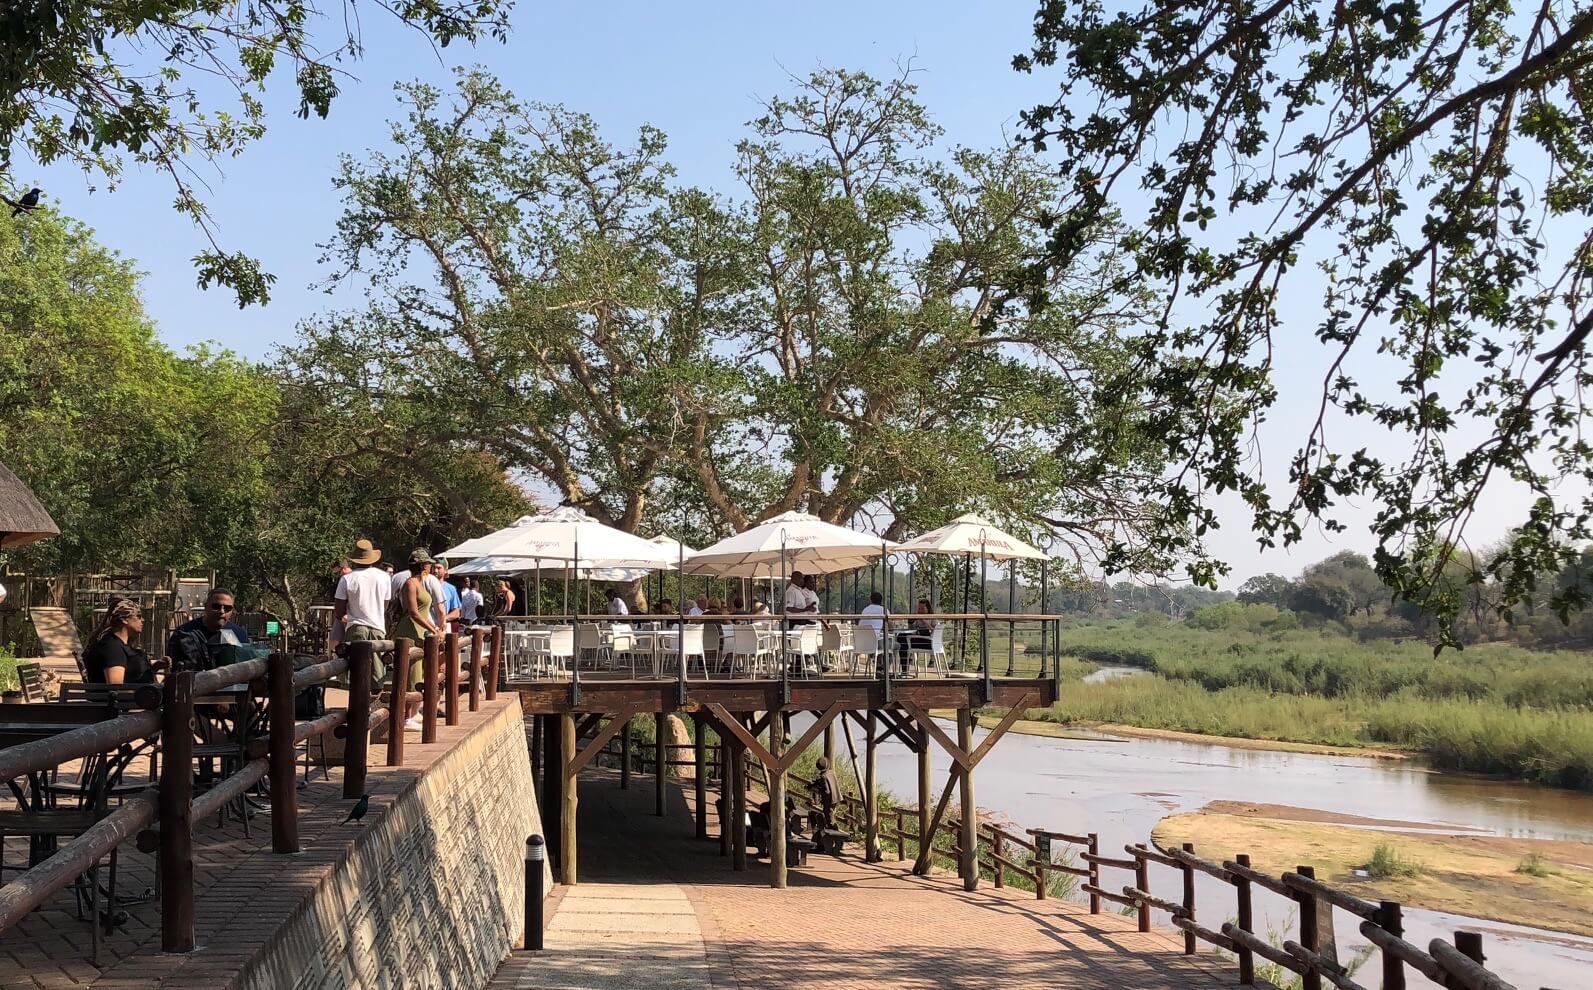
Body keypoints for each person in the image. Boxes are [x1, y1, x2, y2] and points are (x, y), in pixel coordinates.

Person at [393, 551, 441, 729]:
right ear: (421, 566)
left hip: (421, 632)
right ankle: (407, 717)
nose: (429, 566)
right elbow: (413, 612)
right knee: (411, 674)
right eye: (427, 564)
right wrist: (431, 628)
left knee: (419, 673)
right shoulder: (410, 584)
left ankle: (414, 713)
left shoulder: (422, 583)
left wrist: (433, 627)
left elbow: (423, 612)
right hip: (410, 631)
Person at [329, 539, 390, 662]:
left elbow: (339, 610)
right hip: (377, 627)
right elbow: (385, 605)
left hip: (355, 627)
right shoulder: (385, 577)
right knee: (377, 669)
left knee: (355, 669)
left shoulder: (347, 579)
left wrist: (345, 617)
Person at [167, 589, 252, 672]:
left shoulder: (239, 634)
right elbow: (173, 670)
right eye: (216, 607)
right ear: (206, 606)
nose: (222, 611)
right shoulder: (183, 633)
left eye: (227, 608)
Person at [85, 598, 158, 684]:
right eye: (138, 616)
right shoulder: (112, 648)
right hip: (129, 697)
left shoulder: (118, 645)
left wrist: (154, 668)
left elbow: (131, 676)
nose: (142, 620)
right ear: (124, 619)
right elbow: (116, 688)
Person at [895, 598, 936, 676]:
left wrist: (923, 620)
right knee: (902, 640)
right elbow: (911, 628)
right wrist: (912, 620)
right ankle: (905, 668)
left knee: (903, 642)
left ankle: (904, 670)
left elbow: (934, 631)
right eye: (919, 608)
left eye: (922, 608)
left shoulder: (933, 618)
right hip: (918, 638)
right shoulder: (917, 618)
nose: (920, 610)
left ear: (928, 608)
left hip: (928, 642)